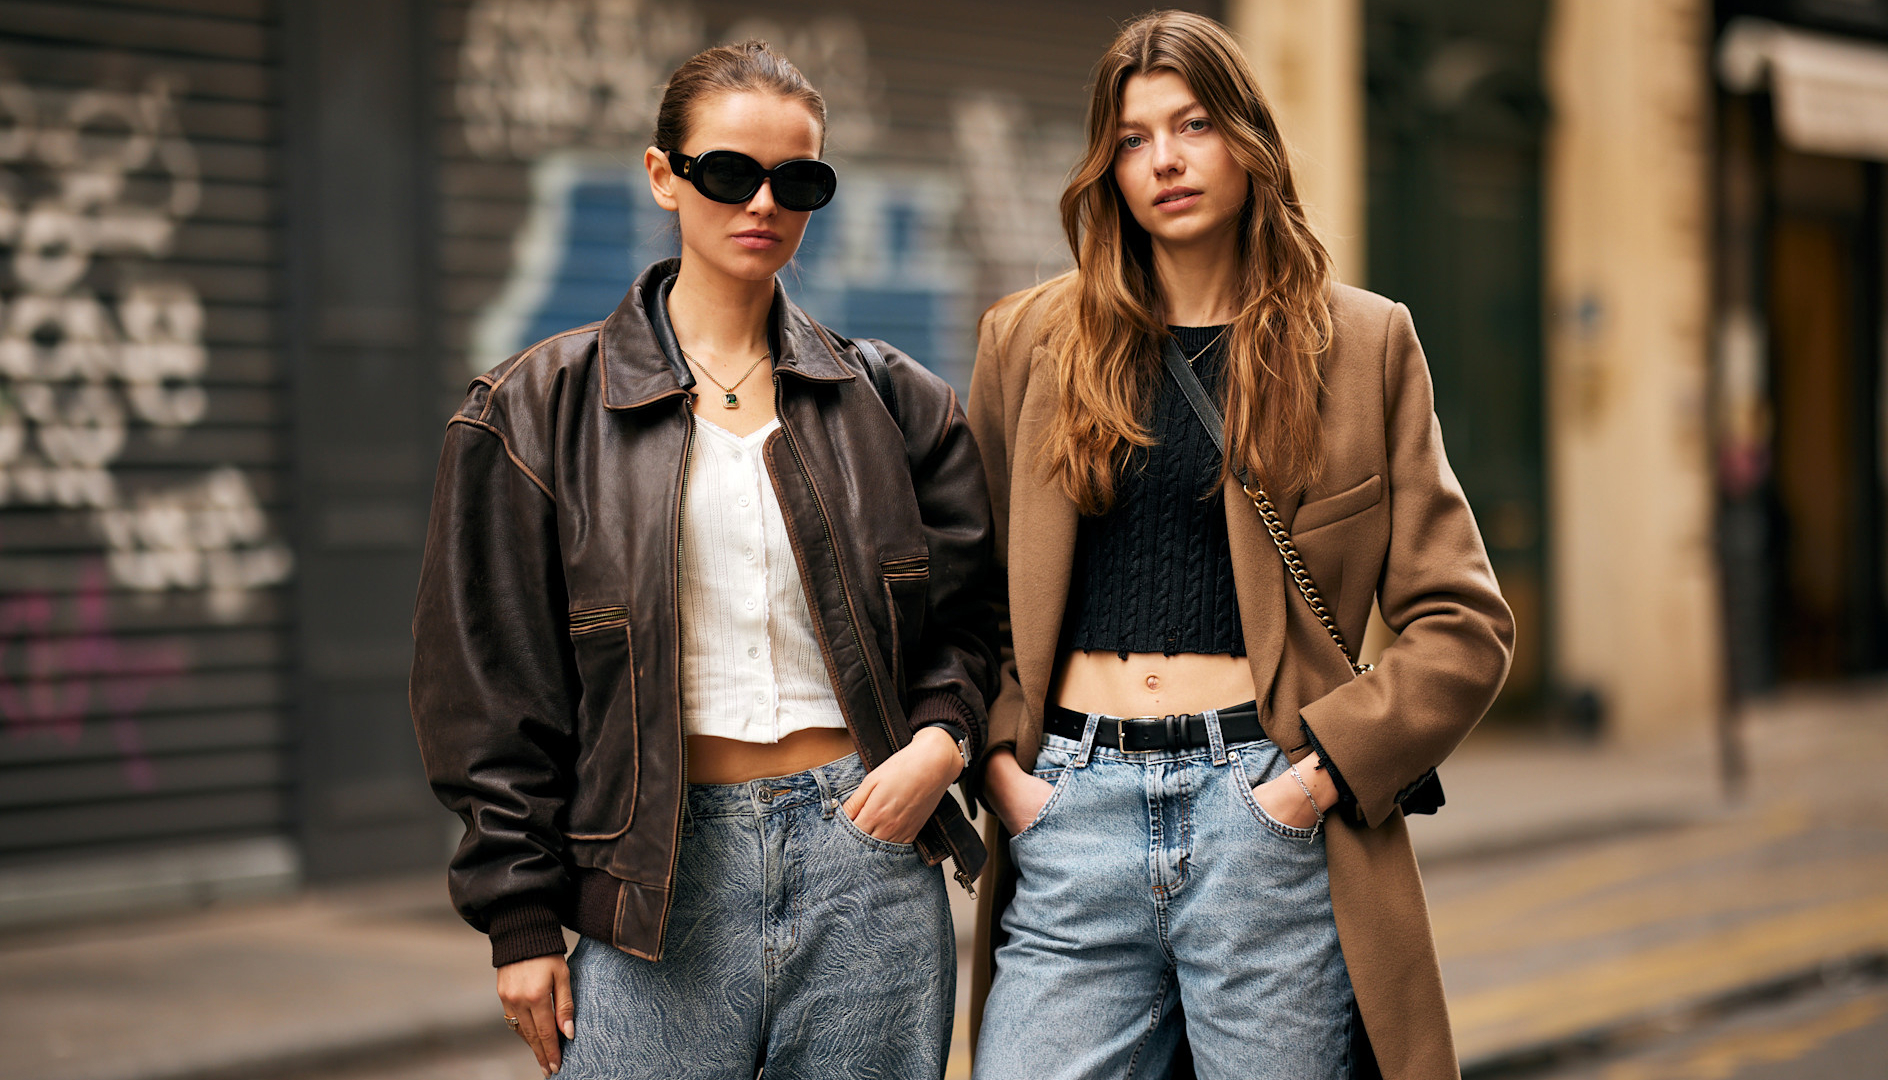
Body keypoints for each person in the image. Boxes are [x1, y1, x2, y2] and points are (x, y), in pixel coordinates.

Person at [410, 40, 997, 1080]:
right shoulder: (533, 412)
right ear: (662, 174)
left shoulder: (898, 406)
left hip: (868, 854)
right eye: (728, 171)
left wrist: (941, 746)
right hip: (655, 877)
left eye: (798, 179)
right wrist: (520, 920)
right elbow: (485, 686)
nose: (762, 202)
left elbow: (977, 625)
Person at [964, 12, 1514, 1080]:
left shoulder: (1361, 344)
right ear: (1107, 167)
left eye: (1194, 125)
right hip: (1072, 812)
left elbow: (1464, 625)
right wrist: (1002, 767)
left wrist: (1312, 783)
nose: (1164, 159)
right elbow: (969, 594)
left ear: (1248, 141)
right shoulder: (1028, 342)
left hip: (1265, 820)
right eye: (1133, 138)